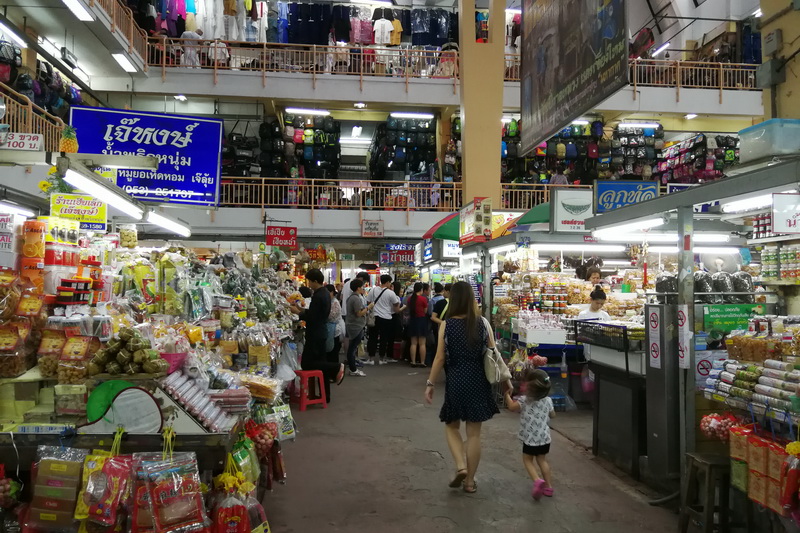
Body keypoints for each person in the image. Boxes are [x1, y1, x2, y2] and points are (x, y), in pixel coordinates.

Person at [424, 281, 506, 494]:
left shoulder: (446, 324)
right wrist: (506, 382)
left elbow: (440, 357)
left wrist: (430, 383)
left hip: (456, 379)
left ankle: (461, 466)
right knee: (474, 434)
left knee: (451, 426)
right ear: (471, 299)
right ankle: (470, 481)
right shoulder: (482, 323)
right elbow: (493, 355)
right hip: (479, 380)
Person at [290, 269, 345, 401]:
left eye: (309, 281)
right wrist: (301, 310)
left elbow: (313, 317)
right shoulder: (324, 293)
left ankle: (337, 367)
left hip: (315, 333)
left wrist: (297, 312)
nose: (309, 284)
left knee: (307, 363)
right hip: (321, 332)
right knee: (321, 364)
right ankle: (325, 396)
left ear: (315, 281)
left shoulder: (319, 295)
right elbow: (316, 313)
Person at [504, 368, 555, 500]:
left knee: (527, 459)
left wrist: (507, 396)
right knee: (542, 460)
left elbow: (511, 407)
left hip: (530, 439)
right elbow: (553, 415)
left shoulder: (524, 400)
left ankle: (537, 481)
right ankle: (549, 487)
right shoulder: (548, 401)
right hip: (544, 439)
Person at [366, 274, 402, 365]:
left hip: (375, 317)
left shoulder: (373, 290)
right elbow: (396, 304)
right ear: (387, 282)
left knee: (372, 337)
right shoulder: (390, 293)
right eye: (390, 282)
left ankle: (371, 358)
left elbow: (369, 302)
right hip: (386, 318)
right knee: (384, 338)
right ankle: (382, 359)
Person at [344, 279, 372, 377]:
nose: (363, 288)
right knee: (352, 349)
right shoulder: (355, 298)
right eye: (362, 287)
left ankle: (353, 367)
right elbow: (359, 313)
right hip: (355, 326)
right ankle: (353, 369)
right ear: (358, 288)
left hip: (354, 325)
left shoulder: (352, 297)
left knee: (353, 348)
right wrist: (368, 307)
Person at [408, 282, 429, 368]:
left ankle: (413, 361)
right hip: (421, 320)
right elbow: (425, 311)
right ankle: (422, 362)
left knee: (413, 343)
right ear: (421, 290)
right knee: (422, 344)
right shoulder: (423, 299)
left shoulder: (410, 299)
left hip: (412, 320)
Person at [325, 284, 343, 364]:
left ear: (332, 292)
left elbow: (331, 316)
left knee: (333, 352)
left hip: (334, 330)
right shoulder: (329, 301)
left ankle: (335, 371)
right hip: (330, 329)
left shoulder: (335, 302)